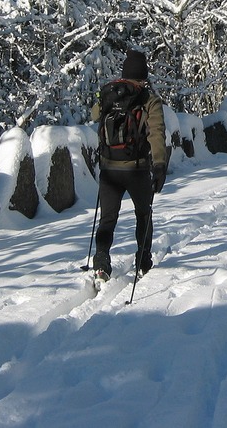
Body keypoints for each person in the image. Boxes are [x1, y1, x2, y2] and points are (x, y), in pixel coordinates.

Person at [90, 49, 168, 281]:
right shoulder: (149, 100)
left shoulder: (109, 93)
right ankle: (143, 259)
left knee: (107, 218)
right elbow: (157, 133)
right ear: (144, 75)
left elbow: (95, 115)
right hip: (137, 168)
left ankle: (101, 261)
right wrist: (160, 165)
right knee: (143, 214)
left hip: (109, 168)